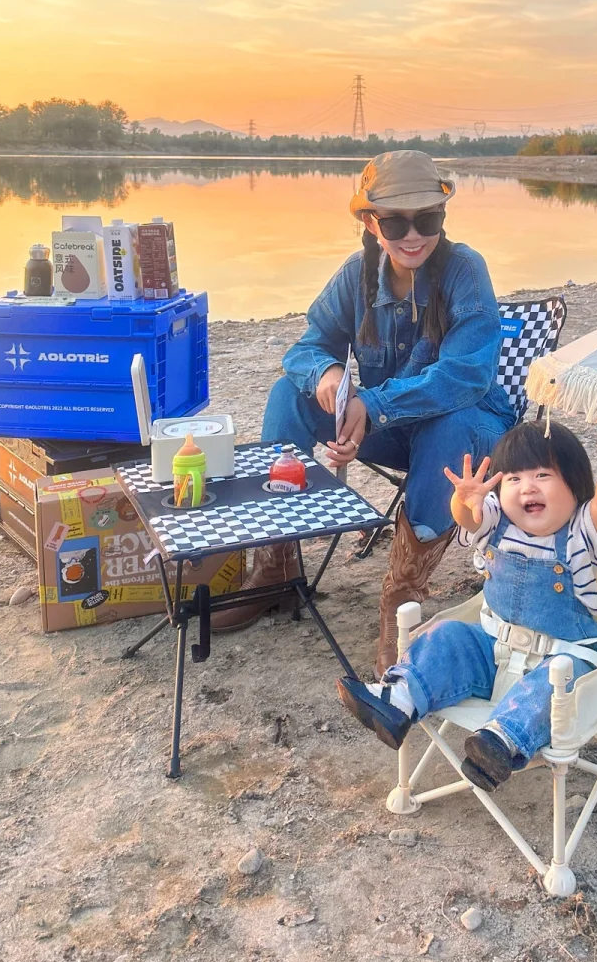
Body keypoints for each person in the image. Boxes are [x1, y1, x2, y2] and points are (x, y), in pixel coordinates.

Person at [213, 149, 516, 674]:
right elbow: (305, 348)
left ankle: (402, 596)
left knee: (453, 422)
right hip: (389, 427)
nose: (412, 235)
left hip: (467, 432)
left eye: (428, 219)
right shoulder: (356, 274)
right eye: (396, 221)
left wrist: (371, 404)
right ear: (372, 223)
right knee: (289, 393)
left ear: (443, 217)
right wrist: (328, 376)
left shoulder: (465, 270)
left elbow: (466, 375)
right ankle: (275, 565)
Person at [335, 416, 597, 791]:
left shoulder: (580, 533)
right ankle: (397, 700)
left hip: (564, 655)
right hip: (494, 648)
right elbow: (468, 518)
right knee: (449, 635)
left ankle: (500, 742)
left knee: (558, 684)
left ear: (575, 486)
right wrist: (464, 500)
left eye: (543, 475)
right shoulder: (498, 523)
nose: (528, 488)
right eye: (514, 479)